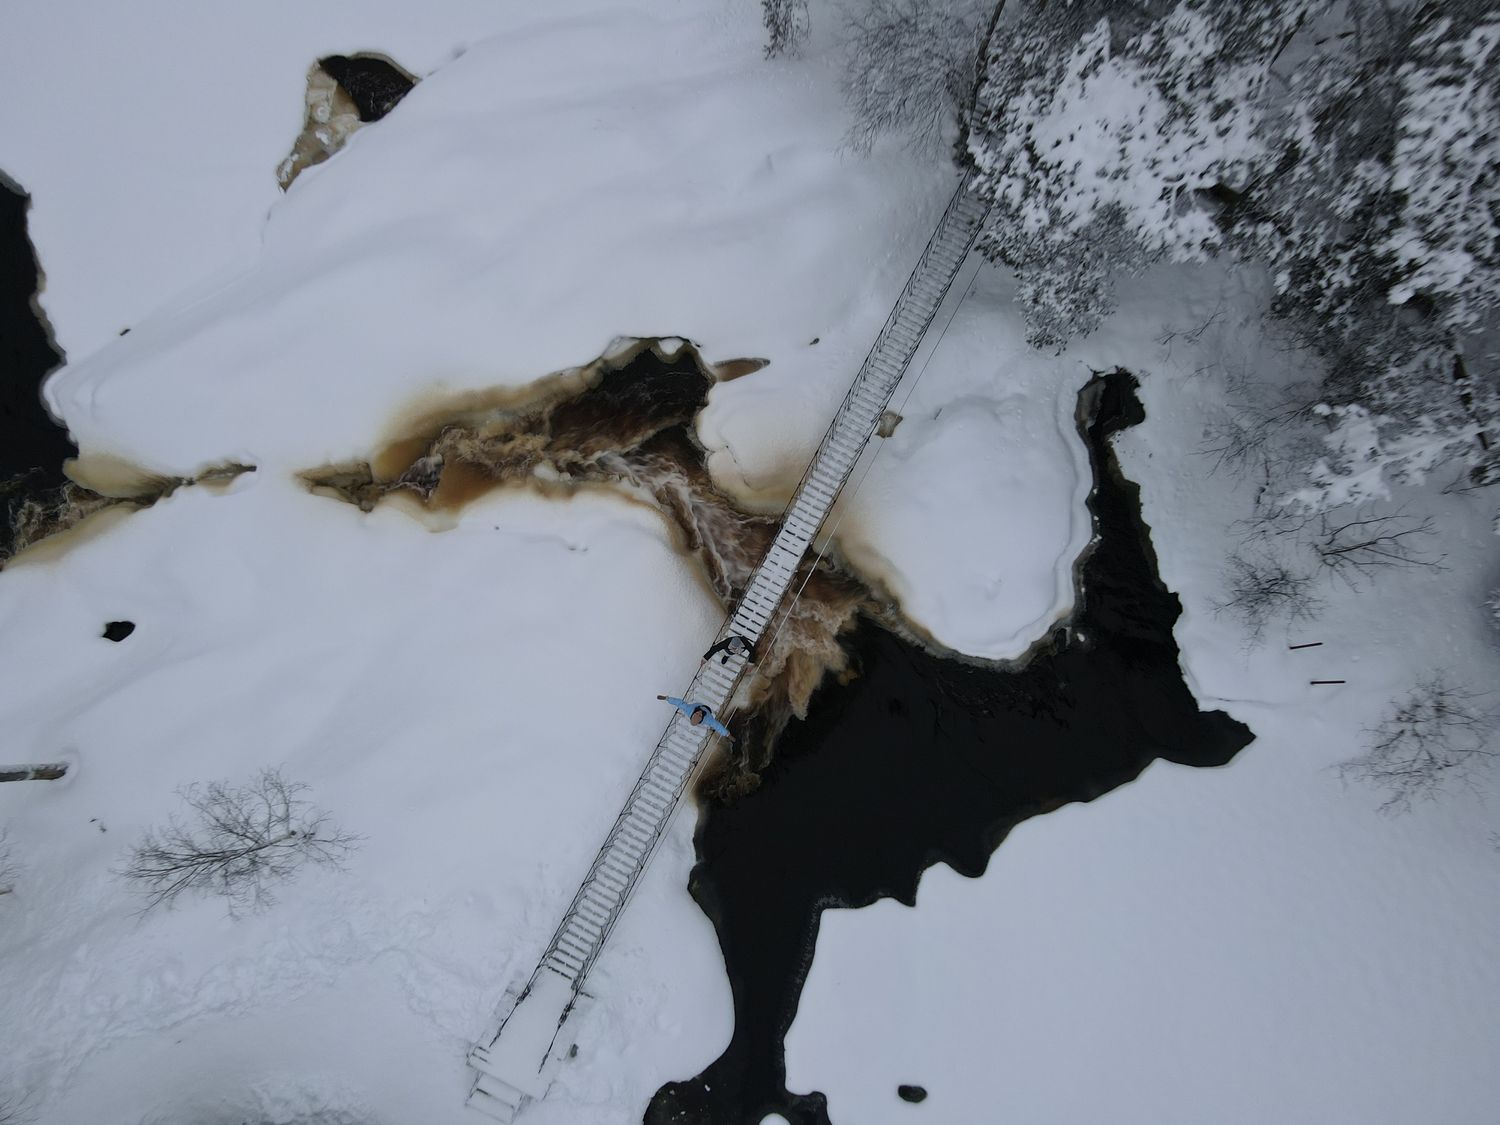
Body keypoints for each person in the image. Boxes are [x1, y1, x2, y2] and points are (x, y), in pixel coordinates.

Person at [656, 695, 732, 739]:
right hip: (704, 709)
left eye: (697, 714)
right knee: (713, 723)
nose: (699, 713)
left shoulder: (689, 709)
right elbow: (717, 725)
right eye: (699, 715)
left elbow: (679, 703)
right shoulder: (707, 718)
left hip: (699, 706)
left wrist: (667, 698)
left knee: (712, 723)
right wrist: (727, 734)